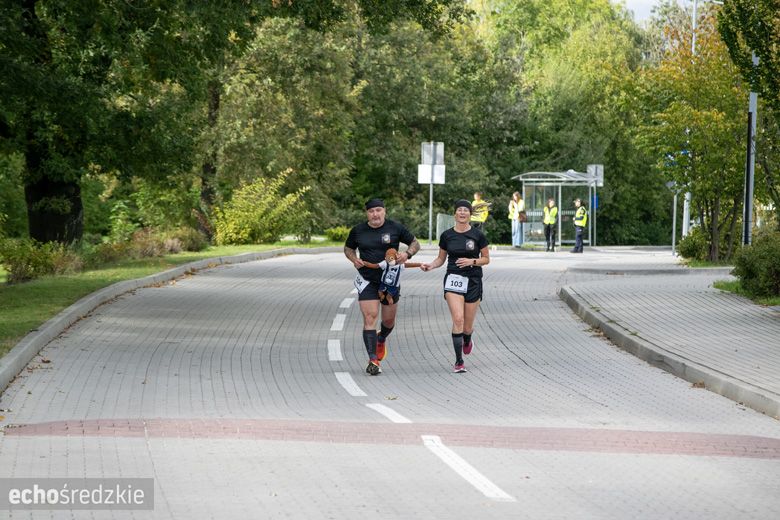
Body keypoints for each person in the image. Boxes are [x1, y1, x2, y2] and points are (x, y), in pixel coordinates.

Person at [345, 198, 420, 375]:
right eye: (371, 211)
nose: (375, 214)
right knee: (370, 317)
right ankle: (373, 360)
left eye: (378, 210)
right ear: (367, 213)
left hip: (390, 282)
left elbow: (415, 243)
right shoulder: (358, 231)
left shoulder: (395, 228)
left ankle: (382, 338)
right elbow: (348, 248)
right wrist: (353, 258)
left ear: (384, 211)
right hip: (367, 279)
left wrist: (407, 254)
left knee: (388, 321)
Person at [421, 199, 490, 373]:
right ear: (454, 214)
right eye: (459, 210)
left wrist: (472, 261)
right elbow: (440, 259)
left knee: (467, 326)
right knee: (457, 319)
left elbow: (486, 259)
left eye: (465, 210)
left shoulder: (477, 235)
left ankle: (467, 339)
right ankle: (459, 361)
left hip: (473, 280)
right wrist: (430, 265)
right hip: (453, 280)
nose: (462, 213)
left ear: (469, 214)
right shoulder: (447, 236)